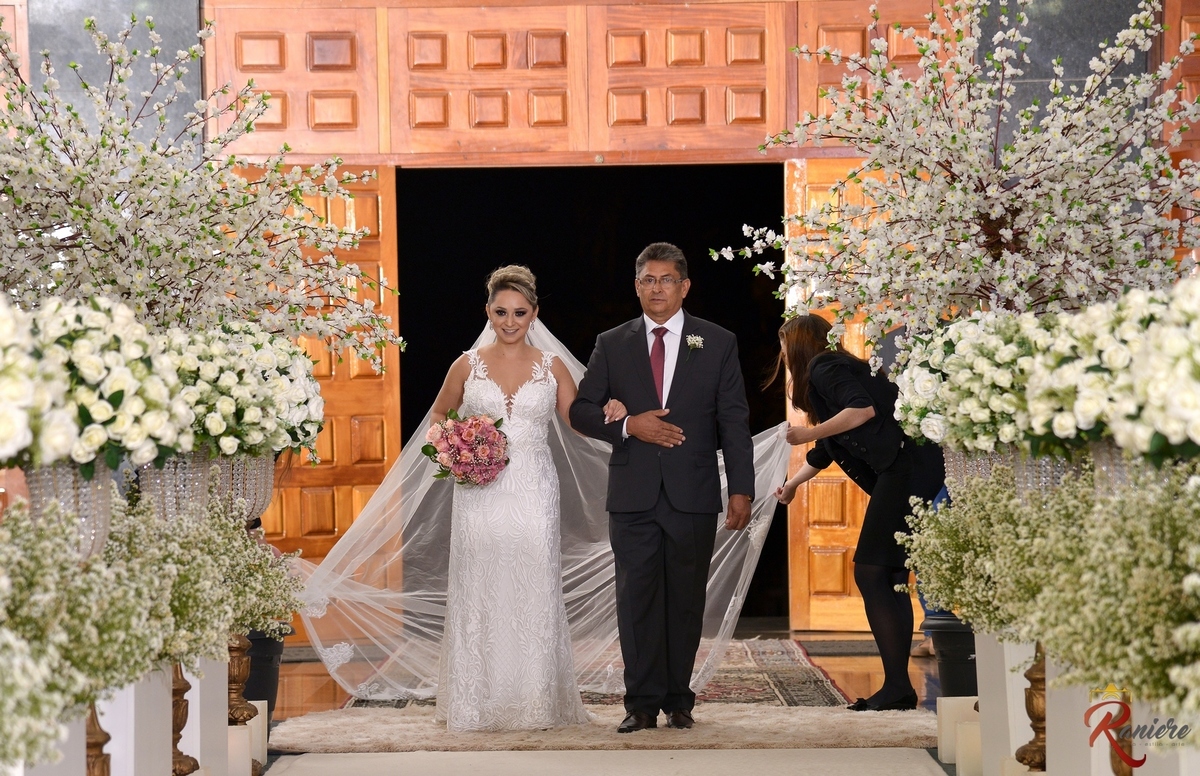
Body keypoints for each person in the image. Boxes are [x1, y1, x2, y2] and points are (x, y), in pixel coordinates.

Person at [427, 265, 625, 731]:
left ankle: (534, 701)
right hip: (478, 493)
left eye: (519, 312)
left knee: (532, 586)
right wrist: (457, 448)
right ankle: (476, 703)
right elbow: (439, 413)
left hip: (534, 490)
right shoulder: (467, 364)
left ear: (534, 313)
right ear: (488, 312)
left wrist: (613, 410)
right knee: (481, 586)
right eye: (501, 312)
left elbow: (579, 419)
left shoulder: (550, 366)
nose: (510, 321)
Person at [570, 242, 756, 733]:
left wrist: (742, 488)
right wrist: (631, 425)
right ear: (636, 286)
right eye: (648, 280)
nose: (657, 288)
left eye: (667, 279)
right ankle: (640, 703)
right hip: (632, 496)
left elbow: (734, 420)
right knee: (636, 601)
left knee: (686, 600)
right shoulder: (613, 342)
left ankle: (679, 698)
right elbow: (581, 410)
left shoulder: (717, 341)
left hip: (693, 493)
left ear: (684, 286)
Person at [771, 313, 944, 712]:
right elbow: (826, 450)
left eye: (784, 348)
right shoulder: (833, 372)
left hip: (908, 468)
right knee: (890, 573)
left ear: (798, 345)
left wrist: (808, 431)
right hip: (910, 469)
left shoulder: (824, 365)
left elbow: (861, 410)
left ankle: (898, 686)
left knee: (871, 571)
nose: (782, 358)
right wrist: (793, 485)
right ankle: (898, 688)